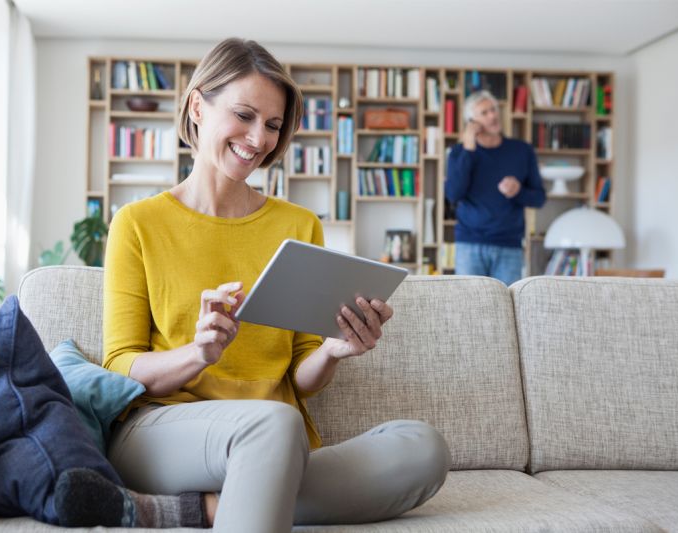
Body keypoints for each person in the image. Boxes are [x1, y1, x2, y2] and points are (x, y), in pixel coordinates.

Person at [103, 38, 450, 533]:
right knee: (273, 424)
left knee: (423, 449)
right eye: (244, 115)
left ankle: (197, 509)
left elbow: (301, 380)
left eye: (272, 125)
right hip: (161, 433)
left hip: (276, 438)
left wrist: (332, 350)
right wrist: (197, 353)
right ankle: (252, 488)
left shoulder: (298, 225)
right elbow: (121, 366)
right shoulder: (137, 223)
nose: (258, 138)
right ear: (198, 106)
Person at [445, 90, 546, 285]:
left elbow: (539, 198)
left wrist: (519, 191)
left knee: (506, 310)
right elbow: (453, 194)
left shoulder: (522, 151)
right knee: (470, 307)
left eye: (493, 110)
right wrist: (468, 148)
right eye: (484, 113)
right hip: (469, 245)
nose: (492, 115)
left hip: (509, 246)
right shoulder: (459, 153)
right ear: (471, 122)